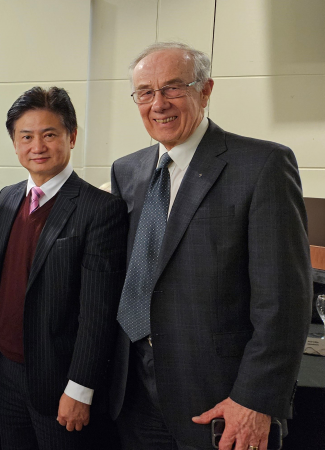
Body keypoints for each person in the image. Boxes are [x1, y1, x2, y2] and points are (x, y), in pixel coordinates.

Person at [109, 42, 312, 450]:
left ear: (206, 91)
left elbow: (285, 302)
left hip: (222, 401)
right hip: (133, 392)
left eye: (173, 88)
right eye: (145, 92)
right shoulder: (127, 170)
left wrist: (255, 400)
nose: (158, 104)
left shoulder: (262, 165)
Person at [0, 87, 128, 449]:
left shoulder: (100, 210)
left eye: (49, 134)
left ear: (71, 137)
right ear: (14, 143)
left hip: (60, 381)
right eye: (26, 136)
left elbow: (98, 313)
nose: (37, 146)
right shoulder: (9, 197)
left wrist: (80, 388)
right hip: (4, 370)